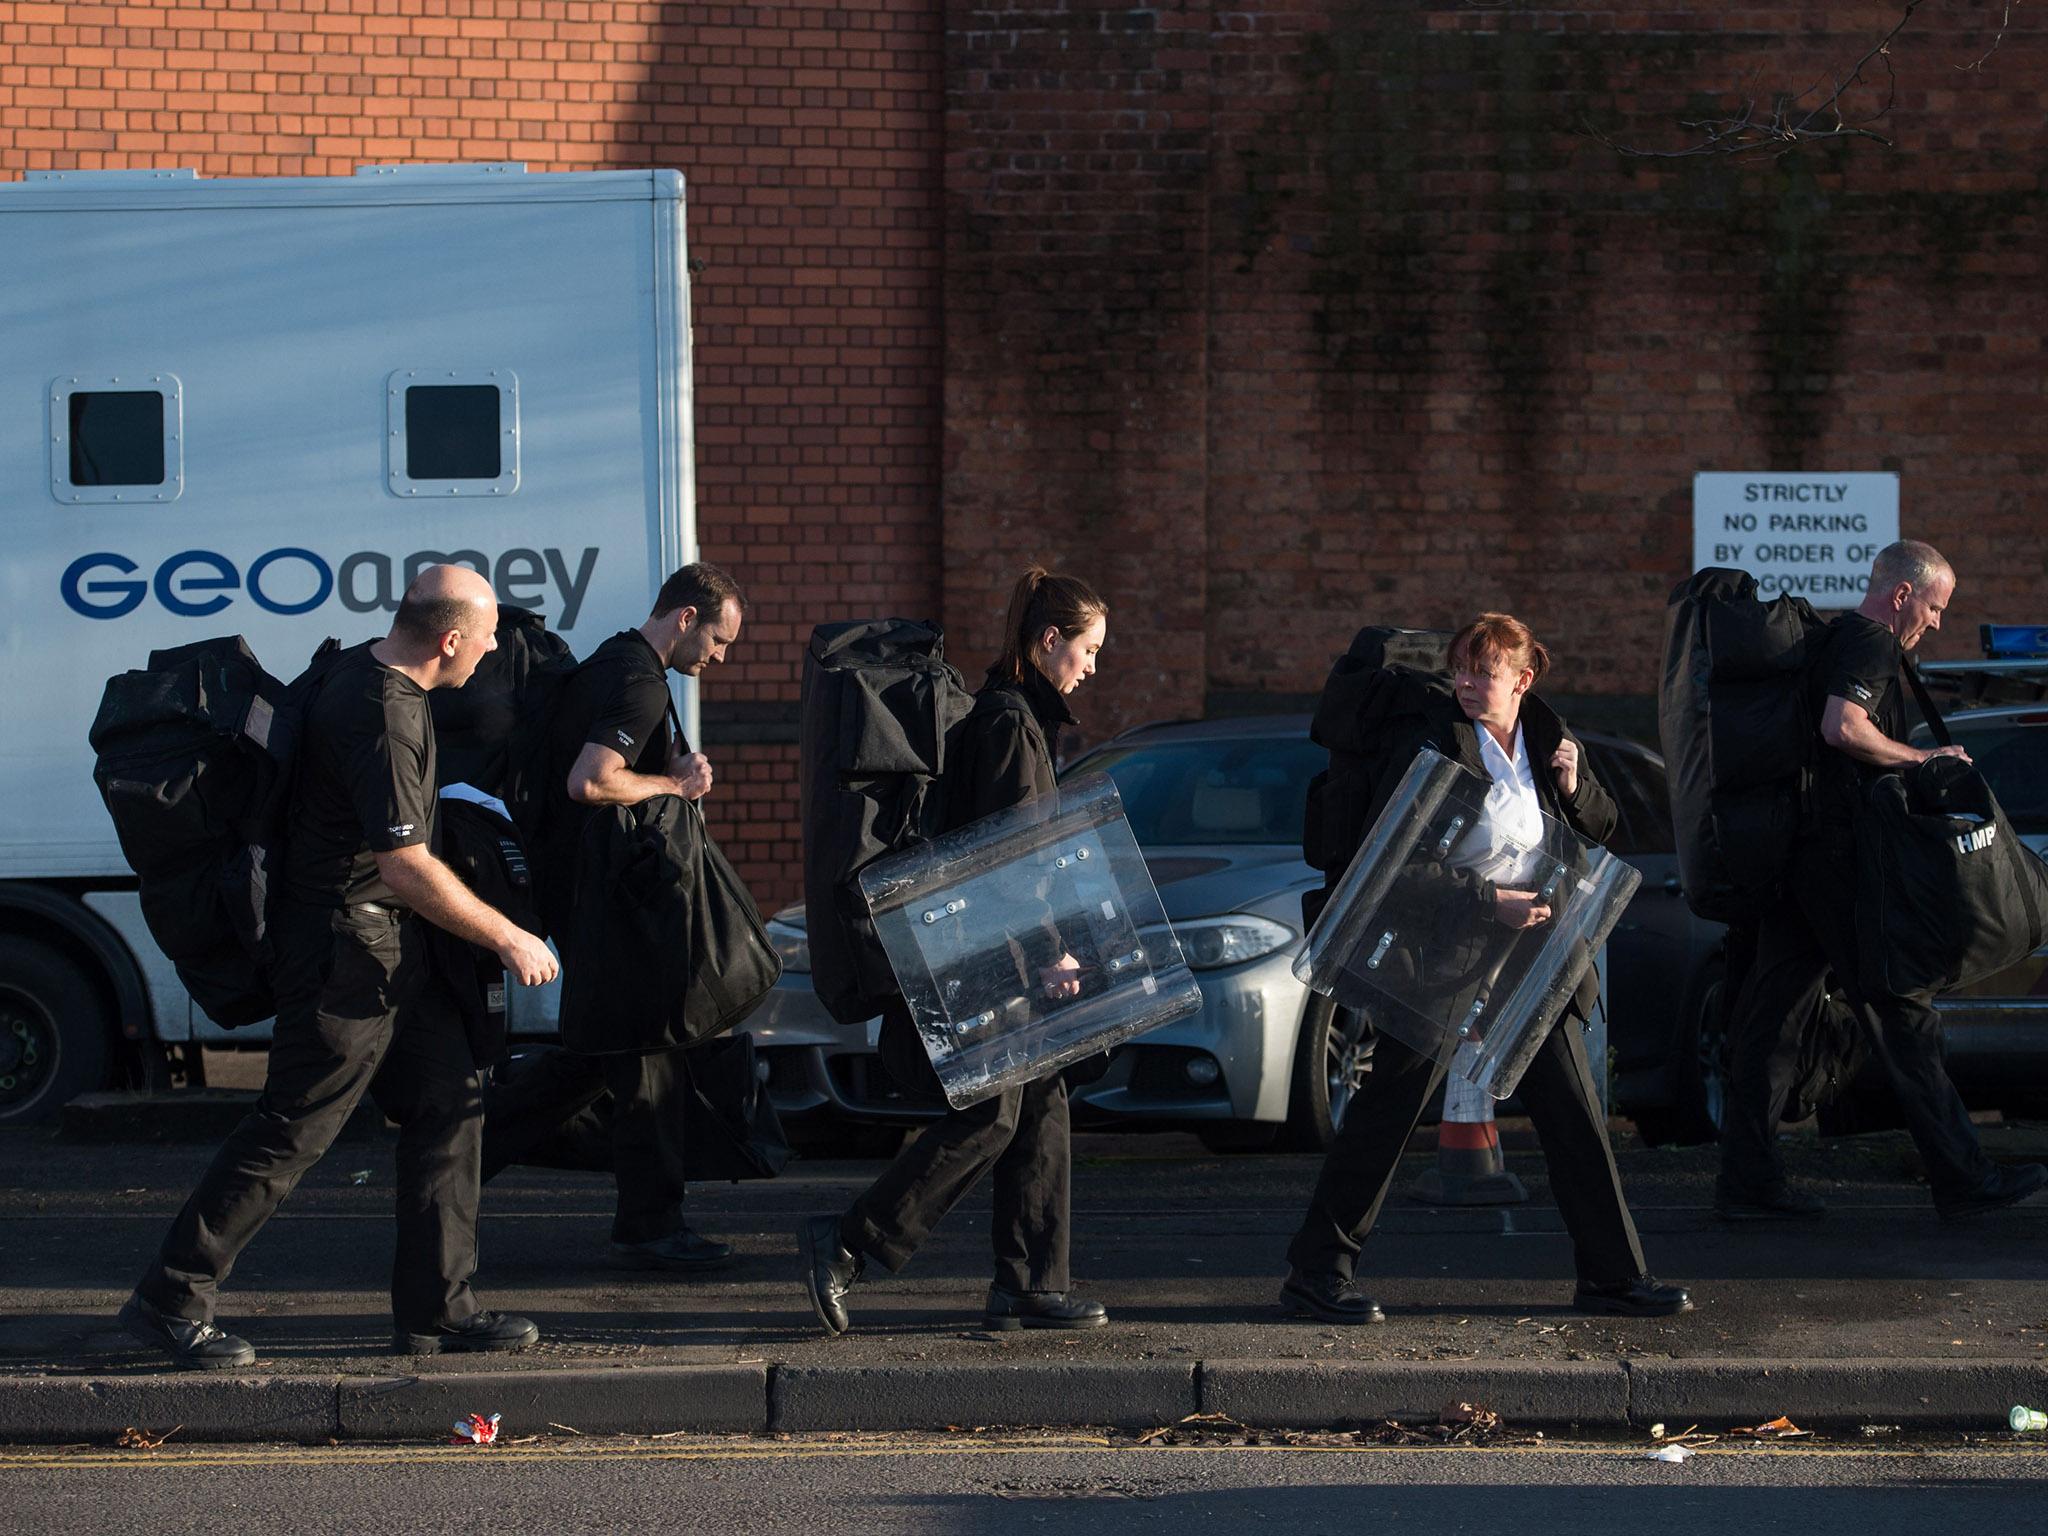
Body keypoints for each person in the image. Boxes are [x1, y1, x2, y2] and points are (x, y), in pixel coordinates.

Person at [120, 565, 560, 1369]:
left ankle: (438, 1310)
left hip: (388, 945)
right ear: (451, 638)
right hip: (343, 953)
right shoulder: (384, 712)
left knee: (450, 1105)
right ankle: (169, 1297)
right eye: (489, 634)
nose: (495, 649)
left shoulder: (355, 664)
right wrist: (508, 936)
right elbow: (405, 865)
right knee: (296, 1126)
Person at [1281, 613, 1691, 1324]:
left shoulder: (1546, 741)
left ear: (1523, 680)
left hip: (1534, 954)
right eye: (1461, 668)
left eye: (1485, 672)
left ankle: (1614, 1277)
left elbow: (1598, 826)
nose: (1468, 684)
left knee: (1575, 1115)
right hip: (1443, 952)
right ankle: (1317, 1272)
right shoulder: (1432, 738)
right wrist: (1485, 902)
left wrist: (1571, 784)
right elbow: (1395, 861)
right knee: (1389, 1110)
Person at [800, 568, 1110, 1335]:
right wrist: (1050, 952)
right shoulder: (1008, 721)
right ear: (1049, 642)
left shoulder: (1014, 716)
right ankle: (848, 1243)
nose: (1092, 666)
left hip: (985, 952)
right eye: (1088, 649)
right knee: (991, 1118)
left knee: (1041, 1107)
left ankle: (1031, 1283)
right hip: (986, 959)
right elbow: (1013, 859)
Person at [1716, 541, 2048, 1221]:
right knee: (1903, 1013)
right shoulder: (1869, 641)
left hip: (1801, 857)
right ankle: (1962, 1177)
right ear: (1902, 594)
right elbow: (1844, 728)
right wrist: (1922, 757)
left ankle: (1747, 1181)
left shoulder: (1835, 637)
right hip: (1839, 866)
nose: (1938, 622)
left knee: (1771, 1021)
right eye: (1935, 607)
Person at [527, 561, 746, 1271]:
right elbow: (590, 780)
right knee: (650, 1051)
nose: (720, 656)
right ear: (686, 617)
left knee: (605, 1056)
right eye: (718, 638)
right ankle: (650, 1227)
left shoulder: (611, 662)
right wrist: (675, 785)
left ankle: (453, 1166)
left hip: (584, 895)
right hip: (610, 905)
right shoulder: (639, 681)